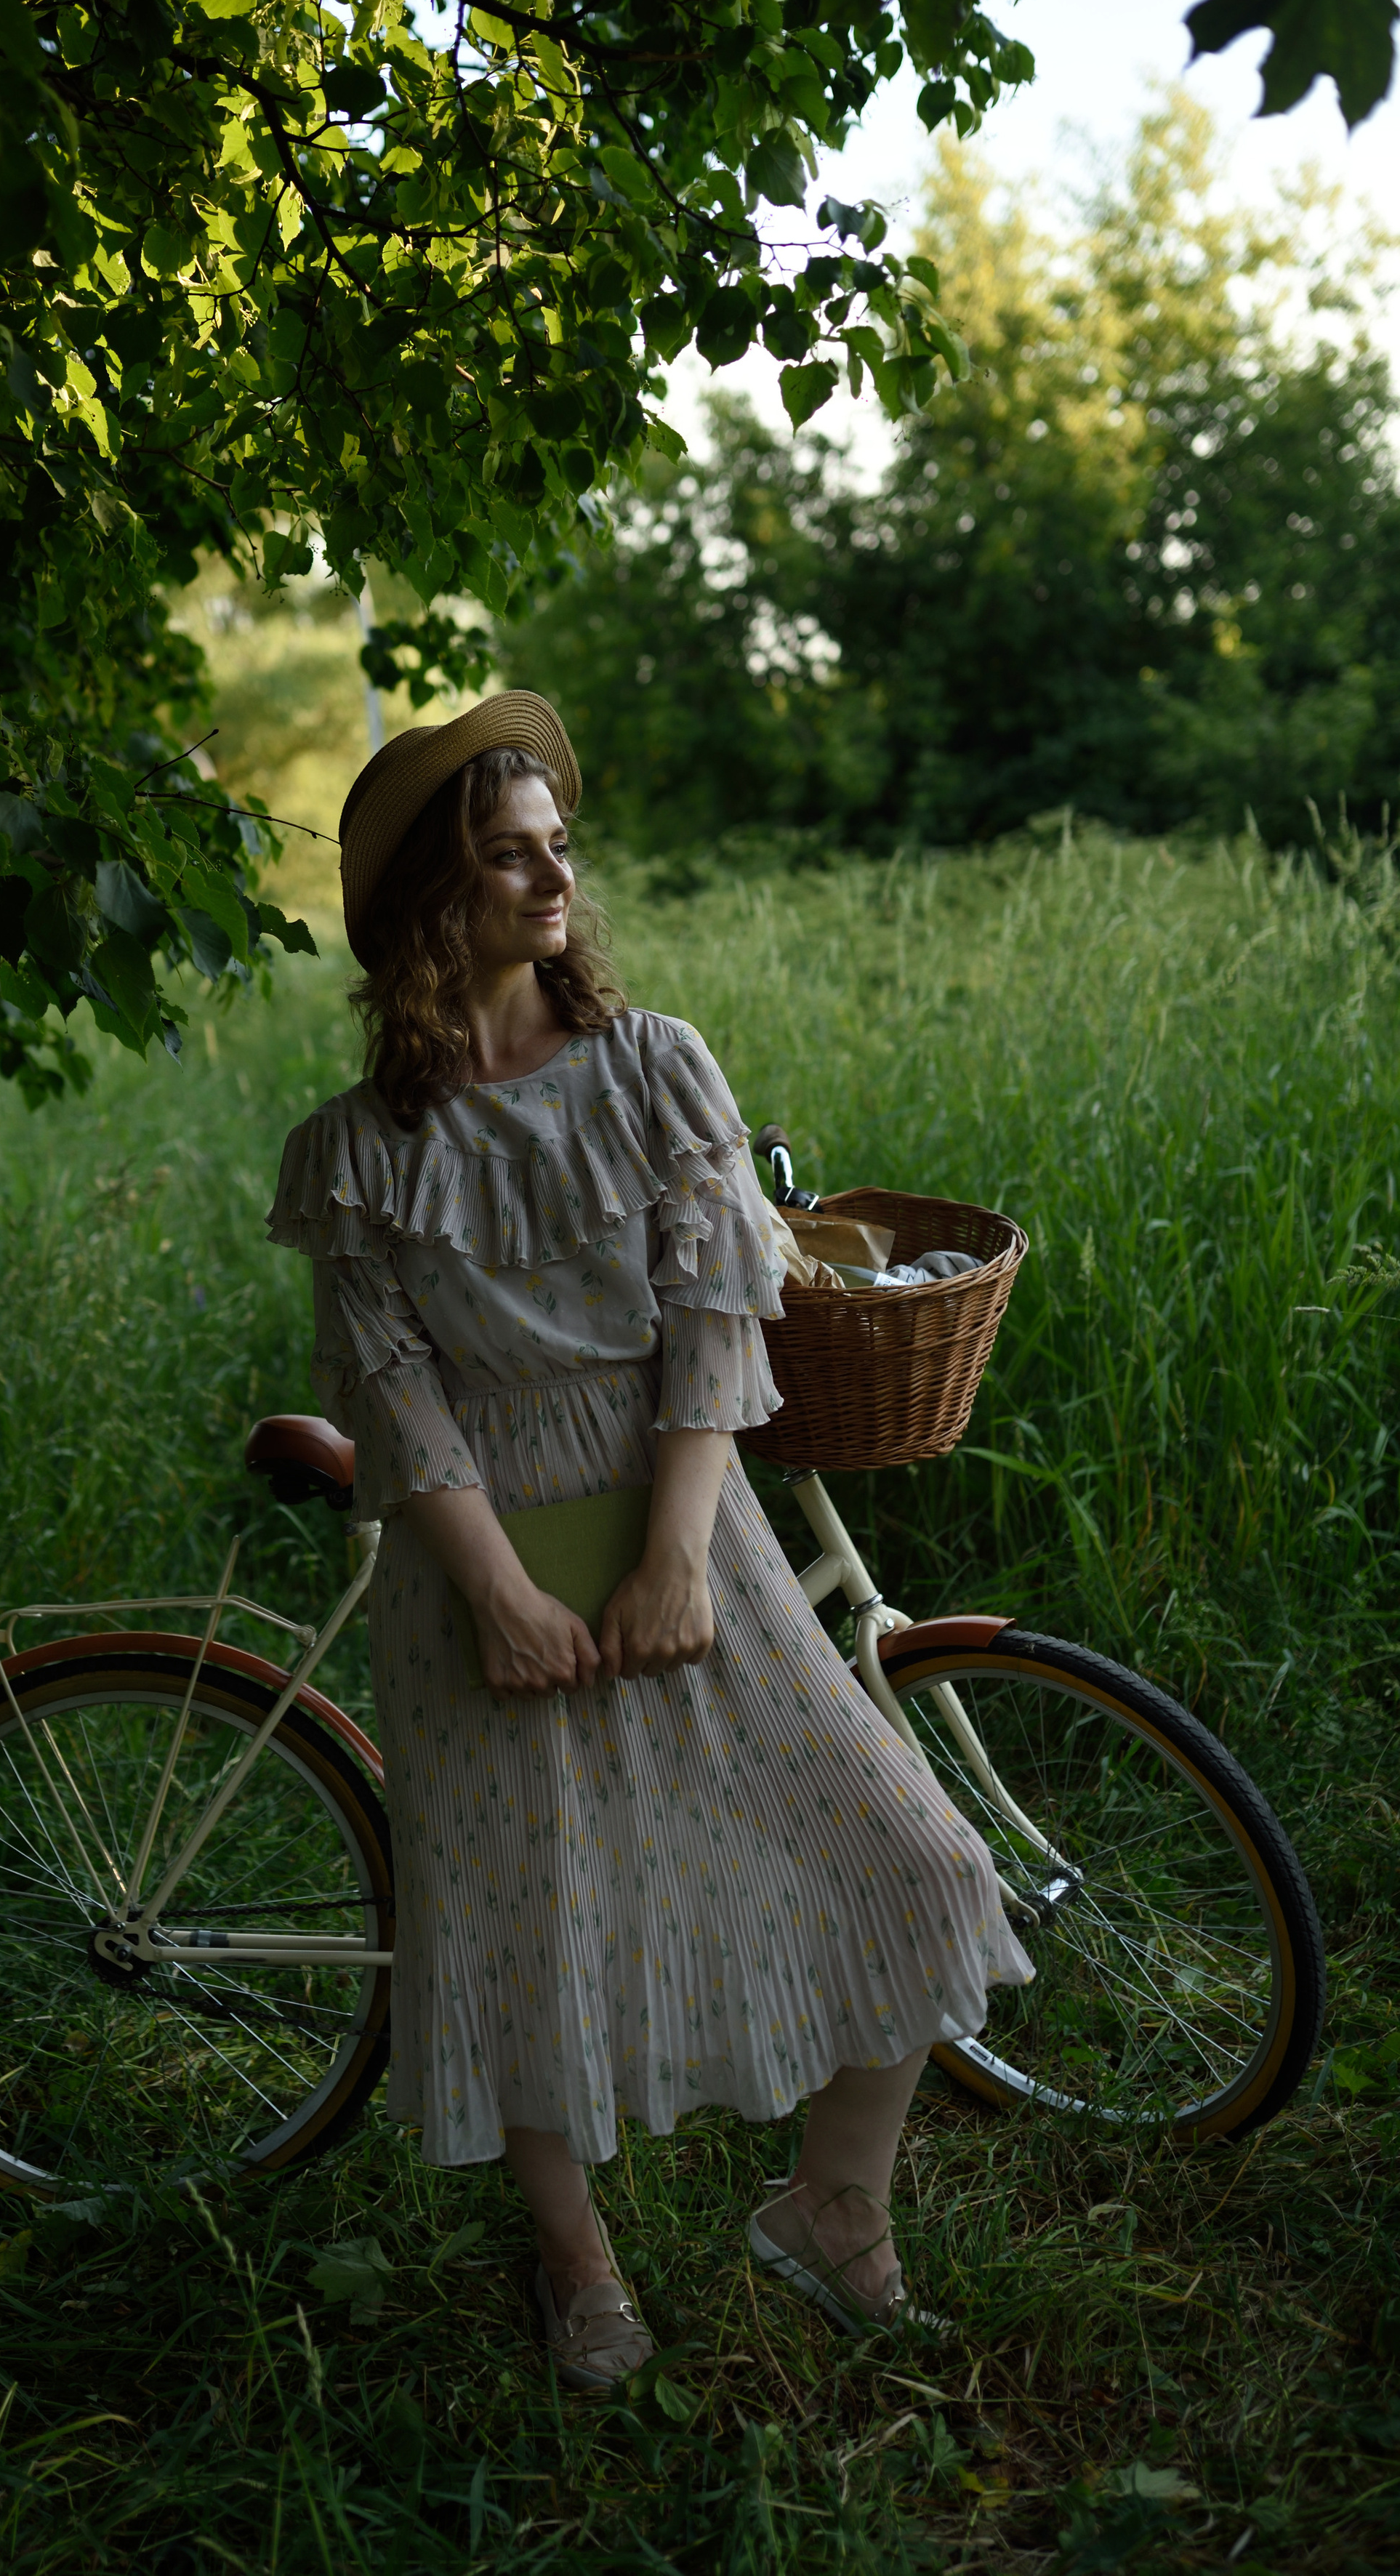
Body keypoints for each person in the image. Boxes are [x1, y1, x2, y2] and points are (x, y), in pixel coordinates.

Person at [266, 691, 1032, 2388]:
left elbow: (708, 1320)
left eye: (557, 848)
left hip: (686, 1516)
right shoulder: (358, 1151)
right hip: (483, 1568)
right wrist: (491, 1590)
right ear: (425, 904)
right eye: (505, 854)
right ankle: (578, 2267)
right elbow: (396, 1399)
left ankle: (831, 2211)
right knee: (521, 1923)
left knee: (916, 1858)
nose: (551, 880)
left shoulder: (650, 1068)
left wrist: (680, 1554)